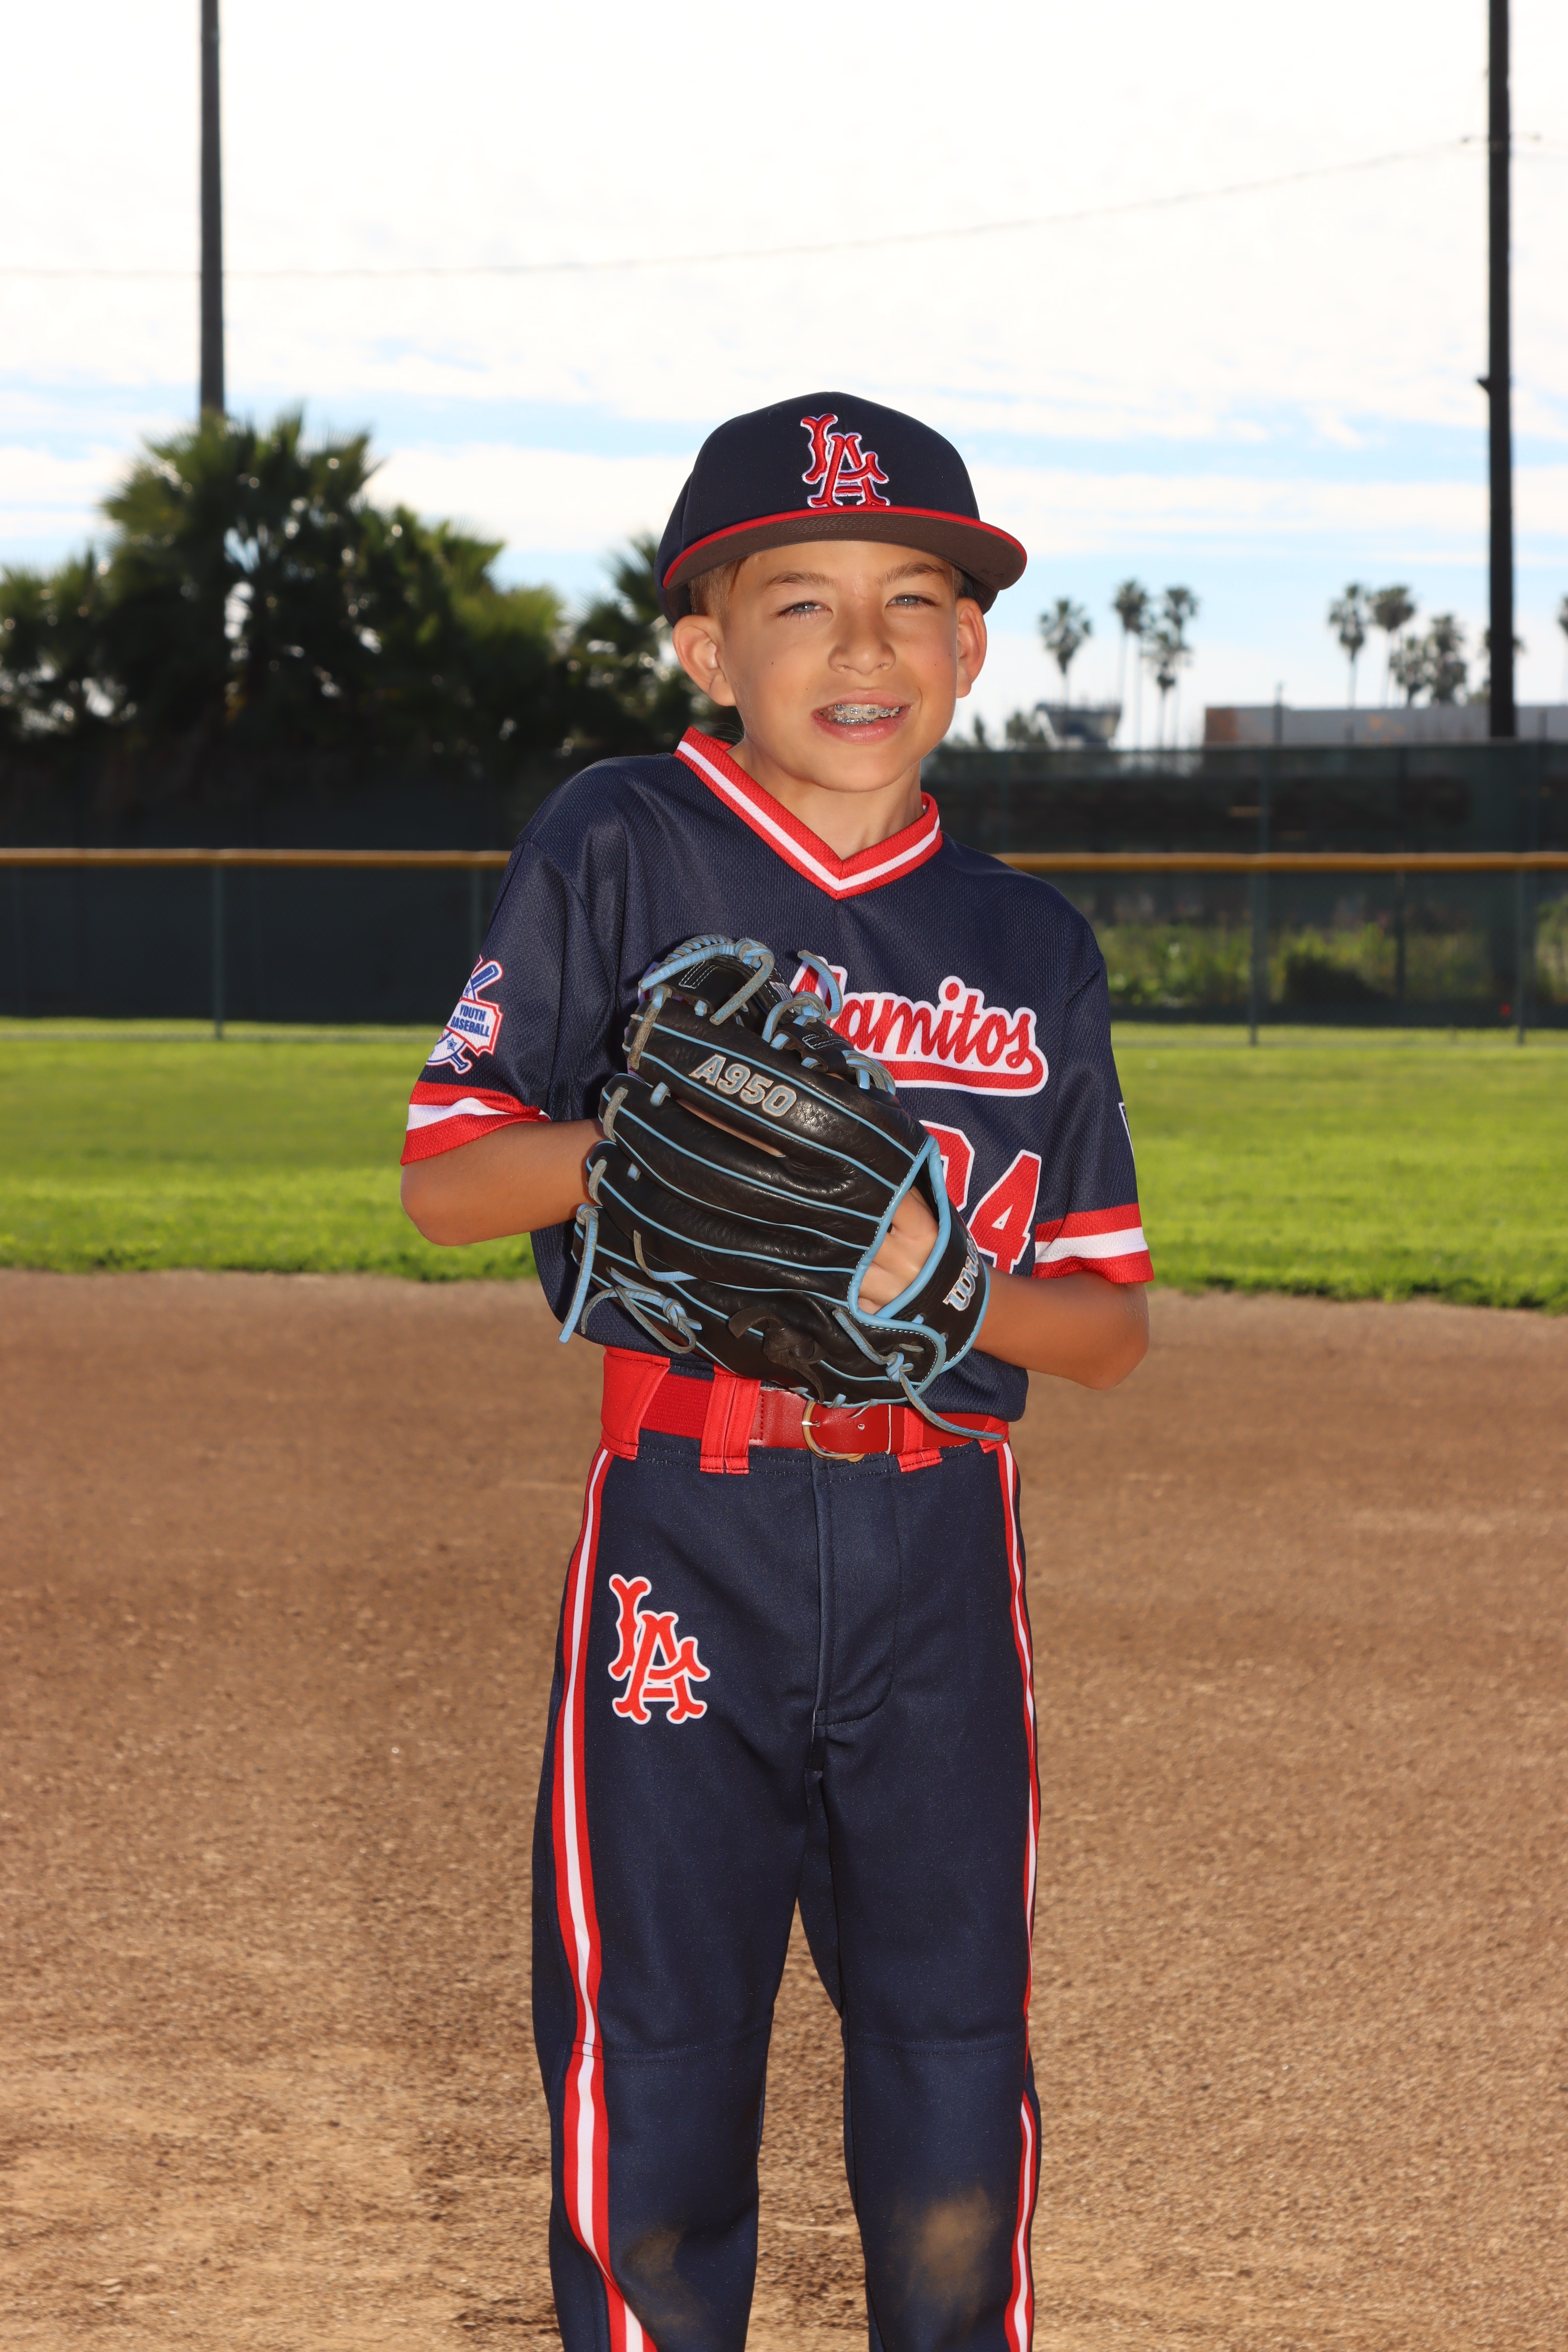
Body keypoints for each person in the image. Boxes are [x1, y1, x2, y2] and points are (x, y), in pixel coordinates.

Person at [401, 392, 1150, 2352]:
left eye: (913, 601)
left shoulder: (1026, 939)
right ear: (704, 647)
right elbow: (447, 1180)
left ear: (969, 647)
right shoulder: (623, 837)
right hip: (688, 1527)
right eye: (799, 601)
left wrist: (937, 1281)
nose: (862, 646)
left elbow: (1105, 1328)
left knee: (950, 2051)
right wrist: (628, 1144)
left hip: (936, 1550)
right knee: (653, 2058)